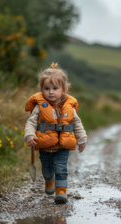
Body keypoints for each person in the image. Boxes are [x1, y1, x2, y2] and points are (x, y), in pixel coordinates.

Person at [24, 62, 87, 204]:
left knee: (61, 168)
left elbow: (77, 123)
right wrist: (30, 135)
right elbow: (31, 122)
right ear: (41, 89)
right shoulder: (39, 107)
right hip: (45, 145)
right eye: (46, 88)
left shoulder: (68, 106)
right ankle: (48, 180)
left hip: (62, 147)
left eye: (55, 88)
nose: (50, 92)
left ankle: (61, 192)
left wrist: (82, 139)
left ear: (63, 89)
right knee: (47, 170)